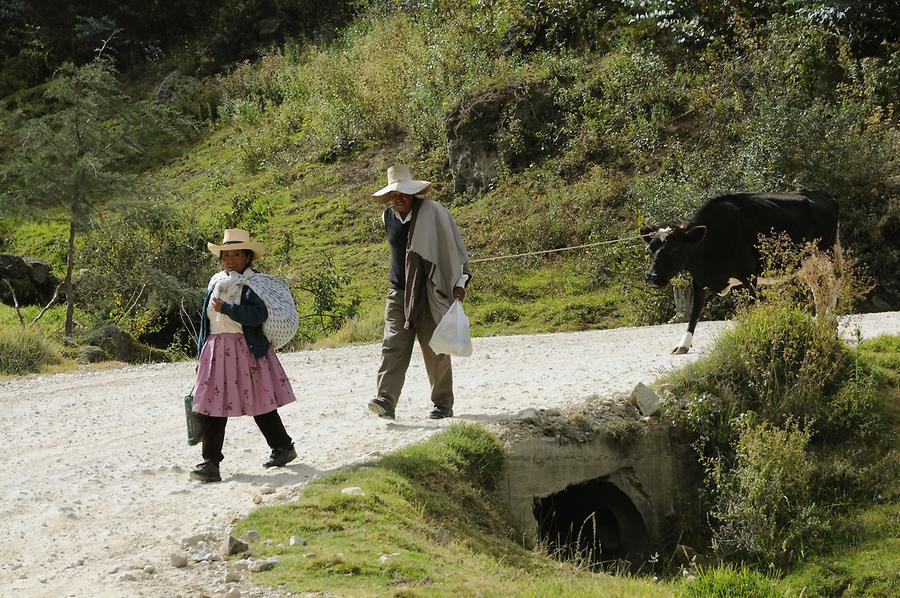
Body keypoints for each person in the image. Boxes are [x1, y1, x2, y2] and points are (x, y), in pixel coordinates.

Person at [189, 229, 297, 483]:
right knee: (213, 408)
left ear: (247, 257)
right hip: (216, 351)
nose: (230, 259)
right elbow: (207, 321)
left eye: (236, 254)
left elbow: (257, 316)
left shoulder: (249, 286)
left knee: (259, 403)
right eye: (226, 254)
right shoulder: (216, 282)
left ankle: (282, 446)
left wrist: (228, 309)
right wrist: (202, 351)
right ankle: (211, 462)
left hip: (244, 350)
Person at [367, 165, 472, 420]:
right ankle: (386, 400)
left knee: (435, 347)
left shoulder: (434, 213)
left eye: (403, 192)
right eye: (394, 194)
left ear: (413, 193)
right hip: (399, 293)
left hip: (429, 290)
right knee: (393, 346)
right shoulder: (387, 217)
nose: (398, 198)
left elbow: (453, 249)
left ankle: (443, 403)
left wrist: (460, 281)